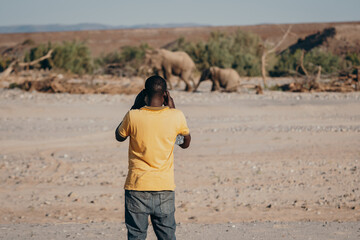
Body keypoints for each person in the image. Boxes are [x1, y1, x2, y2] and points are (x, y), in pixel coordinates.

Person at [115, 75, 191, 240]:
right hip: (164, 187)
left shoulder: (133, 116)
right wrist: (172, 109)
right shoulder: (176, 116)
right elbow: (185, 143)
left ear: (144, 94)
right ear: (165, 94)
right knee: (167, 236)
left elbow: (119, 136)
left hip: (136, 186)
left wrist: (135, 106)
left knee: (136, 235)